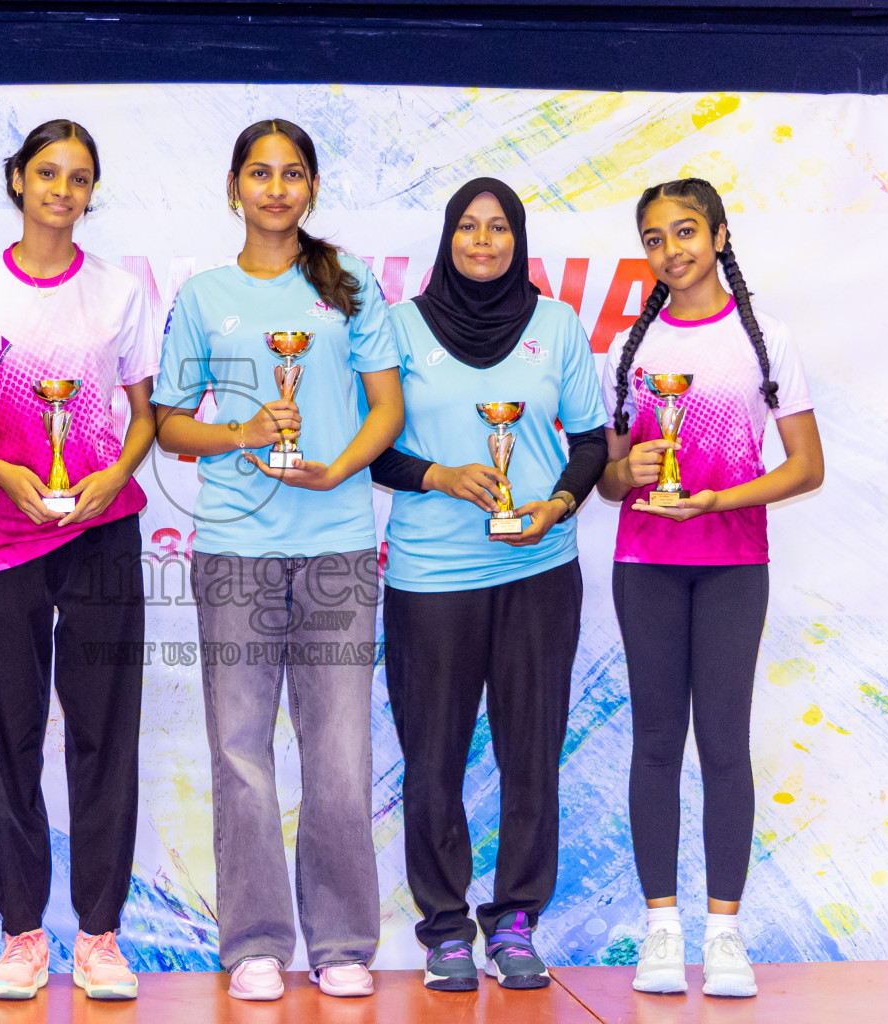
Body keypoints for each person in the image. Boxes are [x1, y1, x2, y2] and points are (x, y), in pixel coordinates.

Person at [151, 118, 403, 1002]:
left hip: (335, 546)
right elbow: (168, 421)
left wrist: (341, 465)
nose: (276, 189)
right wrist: (240, 431)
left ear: (311, 188)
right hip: (235, 551)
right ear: (234, 188)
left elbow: (386, 411)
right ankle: (255, 941)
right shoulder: (202, 296)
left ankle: (341, 944)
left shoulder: (347, 286)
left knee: (339, 751)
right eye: (260, 174)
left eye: (293, 174)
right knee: (240, 751)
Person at [369, 178, 608, 992]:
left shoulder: (558, 327)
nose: (482, 241)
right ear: (448, 238)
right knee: (432, 758)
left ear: (518, 239)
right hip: (432, 577)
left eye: (498, 228)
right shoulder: (400, 327)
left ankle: (514, 921)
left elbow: (589, 444)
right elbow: (376, 449)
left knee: (530, 754)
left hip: (538, 569)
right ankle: (443, 929)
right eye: (468, 227)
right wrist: (439, 473)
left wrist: (559, 503)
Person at [0, 119, 159, 1002]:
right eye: (47, 174)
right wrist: (11, 477)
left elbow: (145, 414)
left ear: (91, 191)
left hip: (103, 530)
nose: (62, 191)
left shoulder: (118, 291)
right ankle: (23, 936)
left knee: (106, 734)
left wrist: (111, 475)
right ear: (17, 181)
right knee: (10, 737)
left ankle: (101, 937)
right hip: (6, 535)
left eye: (78, 178)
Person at [596, 177, 823, 998]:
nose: (671, 251)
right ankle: (663, 928)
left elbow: (807, 467)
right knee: (656, 742)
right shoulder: (631, 350)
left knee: (724, 745)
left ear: (720, 236)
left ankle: (724, 934)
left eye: (686, 232)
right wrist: (631, 469)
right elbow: (610, 485)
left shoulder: (766, 343)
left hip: (734, 563)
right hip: (646, 566)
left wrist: (723, 497)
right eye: (654, 239)